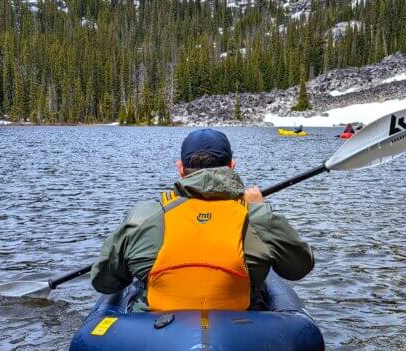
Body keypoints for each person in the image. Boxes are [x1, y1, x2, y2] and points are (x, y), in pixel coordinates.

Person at [91, 127, 315, 310]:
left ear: (180, 169)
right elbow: (298, 268)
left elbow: (105, 281)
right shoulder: (257, 215)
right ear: (231, 166)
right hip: (241, 332)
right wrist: (260, 209)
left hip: (157, 334)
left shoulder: (144, 214)